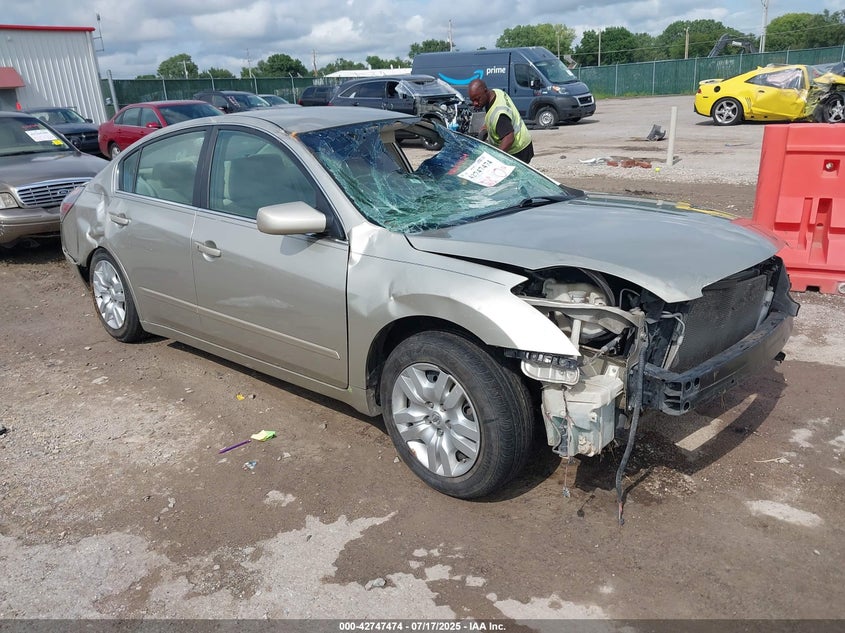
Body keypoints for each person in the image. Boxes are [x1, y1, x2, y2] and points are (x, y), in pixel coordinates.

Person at [467, 79, 534, 164]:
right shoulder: (496, 92)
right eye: (472, 100)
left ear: (485, 91)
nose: (475, 103)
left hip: (517, 151)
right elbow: (493, 119)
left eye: (477, 99)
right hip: (525, 142)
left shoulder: (499, 114)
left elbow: (509, 138)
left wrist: (495, 160)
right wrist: (485, 128)